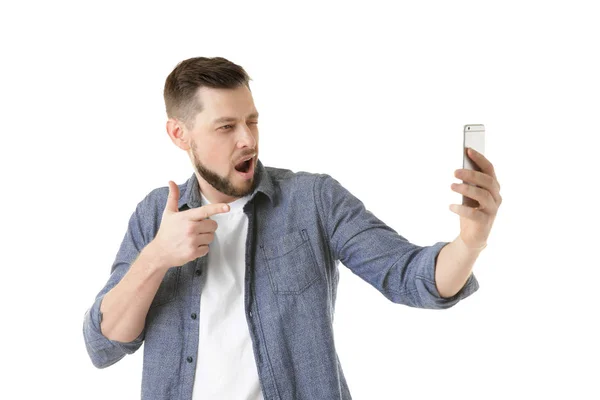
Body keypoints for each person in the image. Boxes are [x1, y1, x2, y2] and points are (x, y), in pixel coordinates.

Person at [83, 56, 502, 400]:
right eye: (226, 127)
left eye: (252, 121)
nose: (247, 139)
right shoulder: (156, 213)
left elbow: (411, 278)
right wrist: (157, 257)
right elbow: (103, 345)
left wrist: (469, 242)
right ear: (180, 134)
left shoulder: (313, 199)